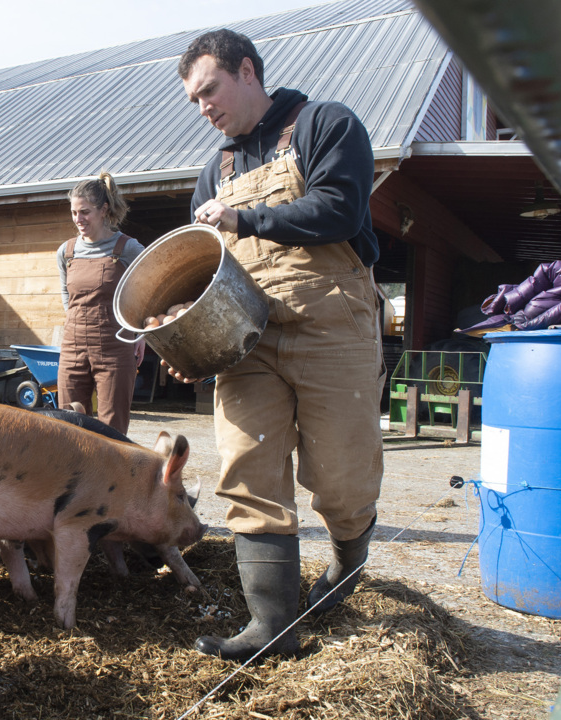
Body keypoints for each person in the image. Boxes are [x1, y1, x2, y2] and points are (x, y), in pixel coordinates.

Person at [173, 30, 385, 662]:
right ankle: (271, 626)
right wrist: (188, 336)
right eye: (193, 100)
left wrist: (245, 218)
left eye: (209, 89)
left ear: (247, 71)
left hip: (332, 324)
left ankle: (349, 554)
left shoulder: (326, 124)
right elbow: (203, 270)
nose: (203, 106)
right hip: (251, 339)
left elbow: (340, 210)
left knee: (342, 479)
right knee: (247, 469)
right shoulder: (217, 169)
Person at [55, 172, 145, 435]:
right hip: (72, 346)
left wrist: (140, 334)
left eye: (85, 212)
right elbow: (66, 295)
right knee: (68, 422)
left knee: (112, 428)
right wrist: (76, 324)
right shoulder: (67, 252)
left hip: (115, 346)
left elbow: (149, 292)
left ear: (104, 209)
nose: (78, 219)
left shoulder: (128, 249)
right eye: (74, 212)